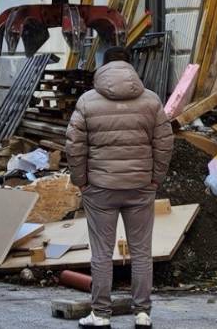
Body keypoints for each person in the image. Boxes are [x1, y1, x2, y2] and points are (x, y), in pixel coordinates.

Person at [66, 46, 174, 329]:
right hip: (140, 186)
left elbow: (74, 146)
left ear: (103, 67)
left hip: (100, 188)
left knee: (101, 253)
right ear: (130, 66)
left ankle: (101, 314)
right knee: (141, 252)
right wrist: (155, 178)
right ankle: (142, 313)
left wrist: (81, 181)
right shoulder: (151, 100)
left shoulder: (87, 102)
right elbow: (165, 143)